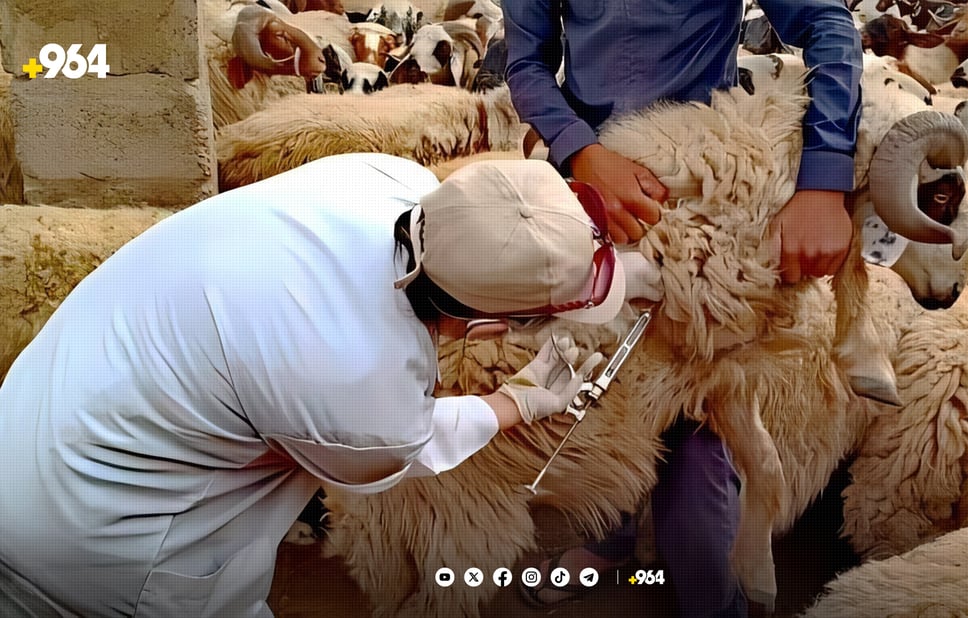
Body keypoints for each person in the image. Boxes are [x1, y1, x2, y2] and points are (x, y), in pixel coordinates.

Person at [0, 153, 662, 618]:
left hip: (39, 415)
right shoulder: (357, 386)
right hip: (100, 536)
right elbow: (412, 438)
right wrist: (514, 403)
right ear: (487, 325)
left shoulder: (382, 177)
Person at [503, 1, 863, 616]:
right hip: (593, 196)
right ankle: (611, 542)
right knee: (595, 385)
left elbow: (825, 23)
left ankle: (706, 595)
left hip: (709, 204)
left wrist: (823, 179)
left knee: (699, 428)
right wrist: (583, 151)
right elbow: (527, 63)